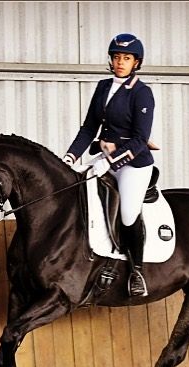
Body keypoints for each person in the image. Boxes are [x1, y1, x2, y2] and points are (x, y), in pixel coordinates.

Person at [62, 33, 156, 297]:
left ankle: (137, 271)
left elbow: (141, 139)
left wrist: (112, 161)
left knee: (127, 213)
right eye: (116, 57)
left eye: (126, 58)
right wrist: (70, 157)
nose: (120, 62)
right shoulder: (103, 86)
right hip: (103, 158)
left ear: (136, 62)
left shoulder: (142, 93)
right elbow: (90, 127)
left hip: (133, 164)